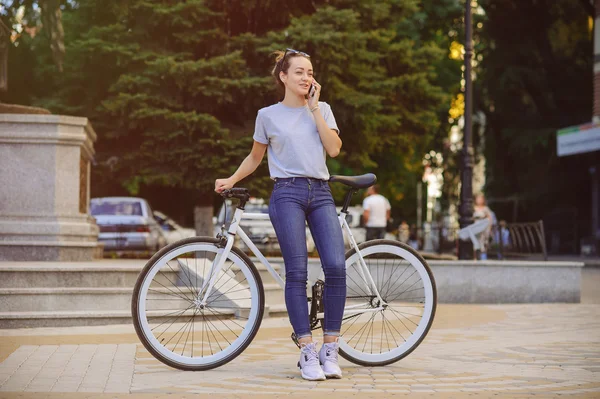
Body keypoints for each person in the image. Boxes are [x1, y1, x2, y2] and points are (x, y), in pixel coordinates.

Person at [214, 48, 345, 381]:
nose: (307, 77)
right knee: (297, 271)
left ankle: (331, 348)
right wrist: (231, 179)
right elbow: (256, 158)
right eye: (299, 72)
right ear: (283, 76)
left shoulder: (323, 109)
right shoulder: (267, 115)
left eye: (310, 72)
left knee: (336, 266)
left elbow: (333, 149)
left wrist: (315, 108)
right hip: (286, 193)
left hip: (321, 192)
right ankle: (307, 350)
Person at [473, 193, 494, 260]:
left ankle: (483, 258)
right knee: (475, 242)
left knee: (483, 243)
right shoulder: (473, 208)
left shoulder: (485, 209)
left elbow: (490, 219)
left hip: (483, 228)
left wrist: (489, 228)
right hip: (475, 228)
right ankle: (475, 258)